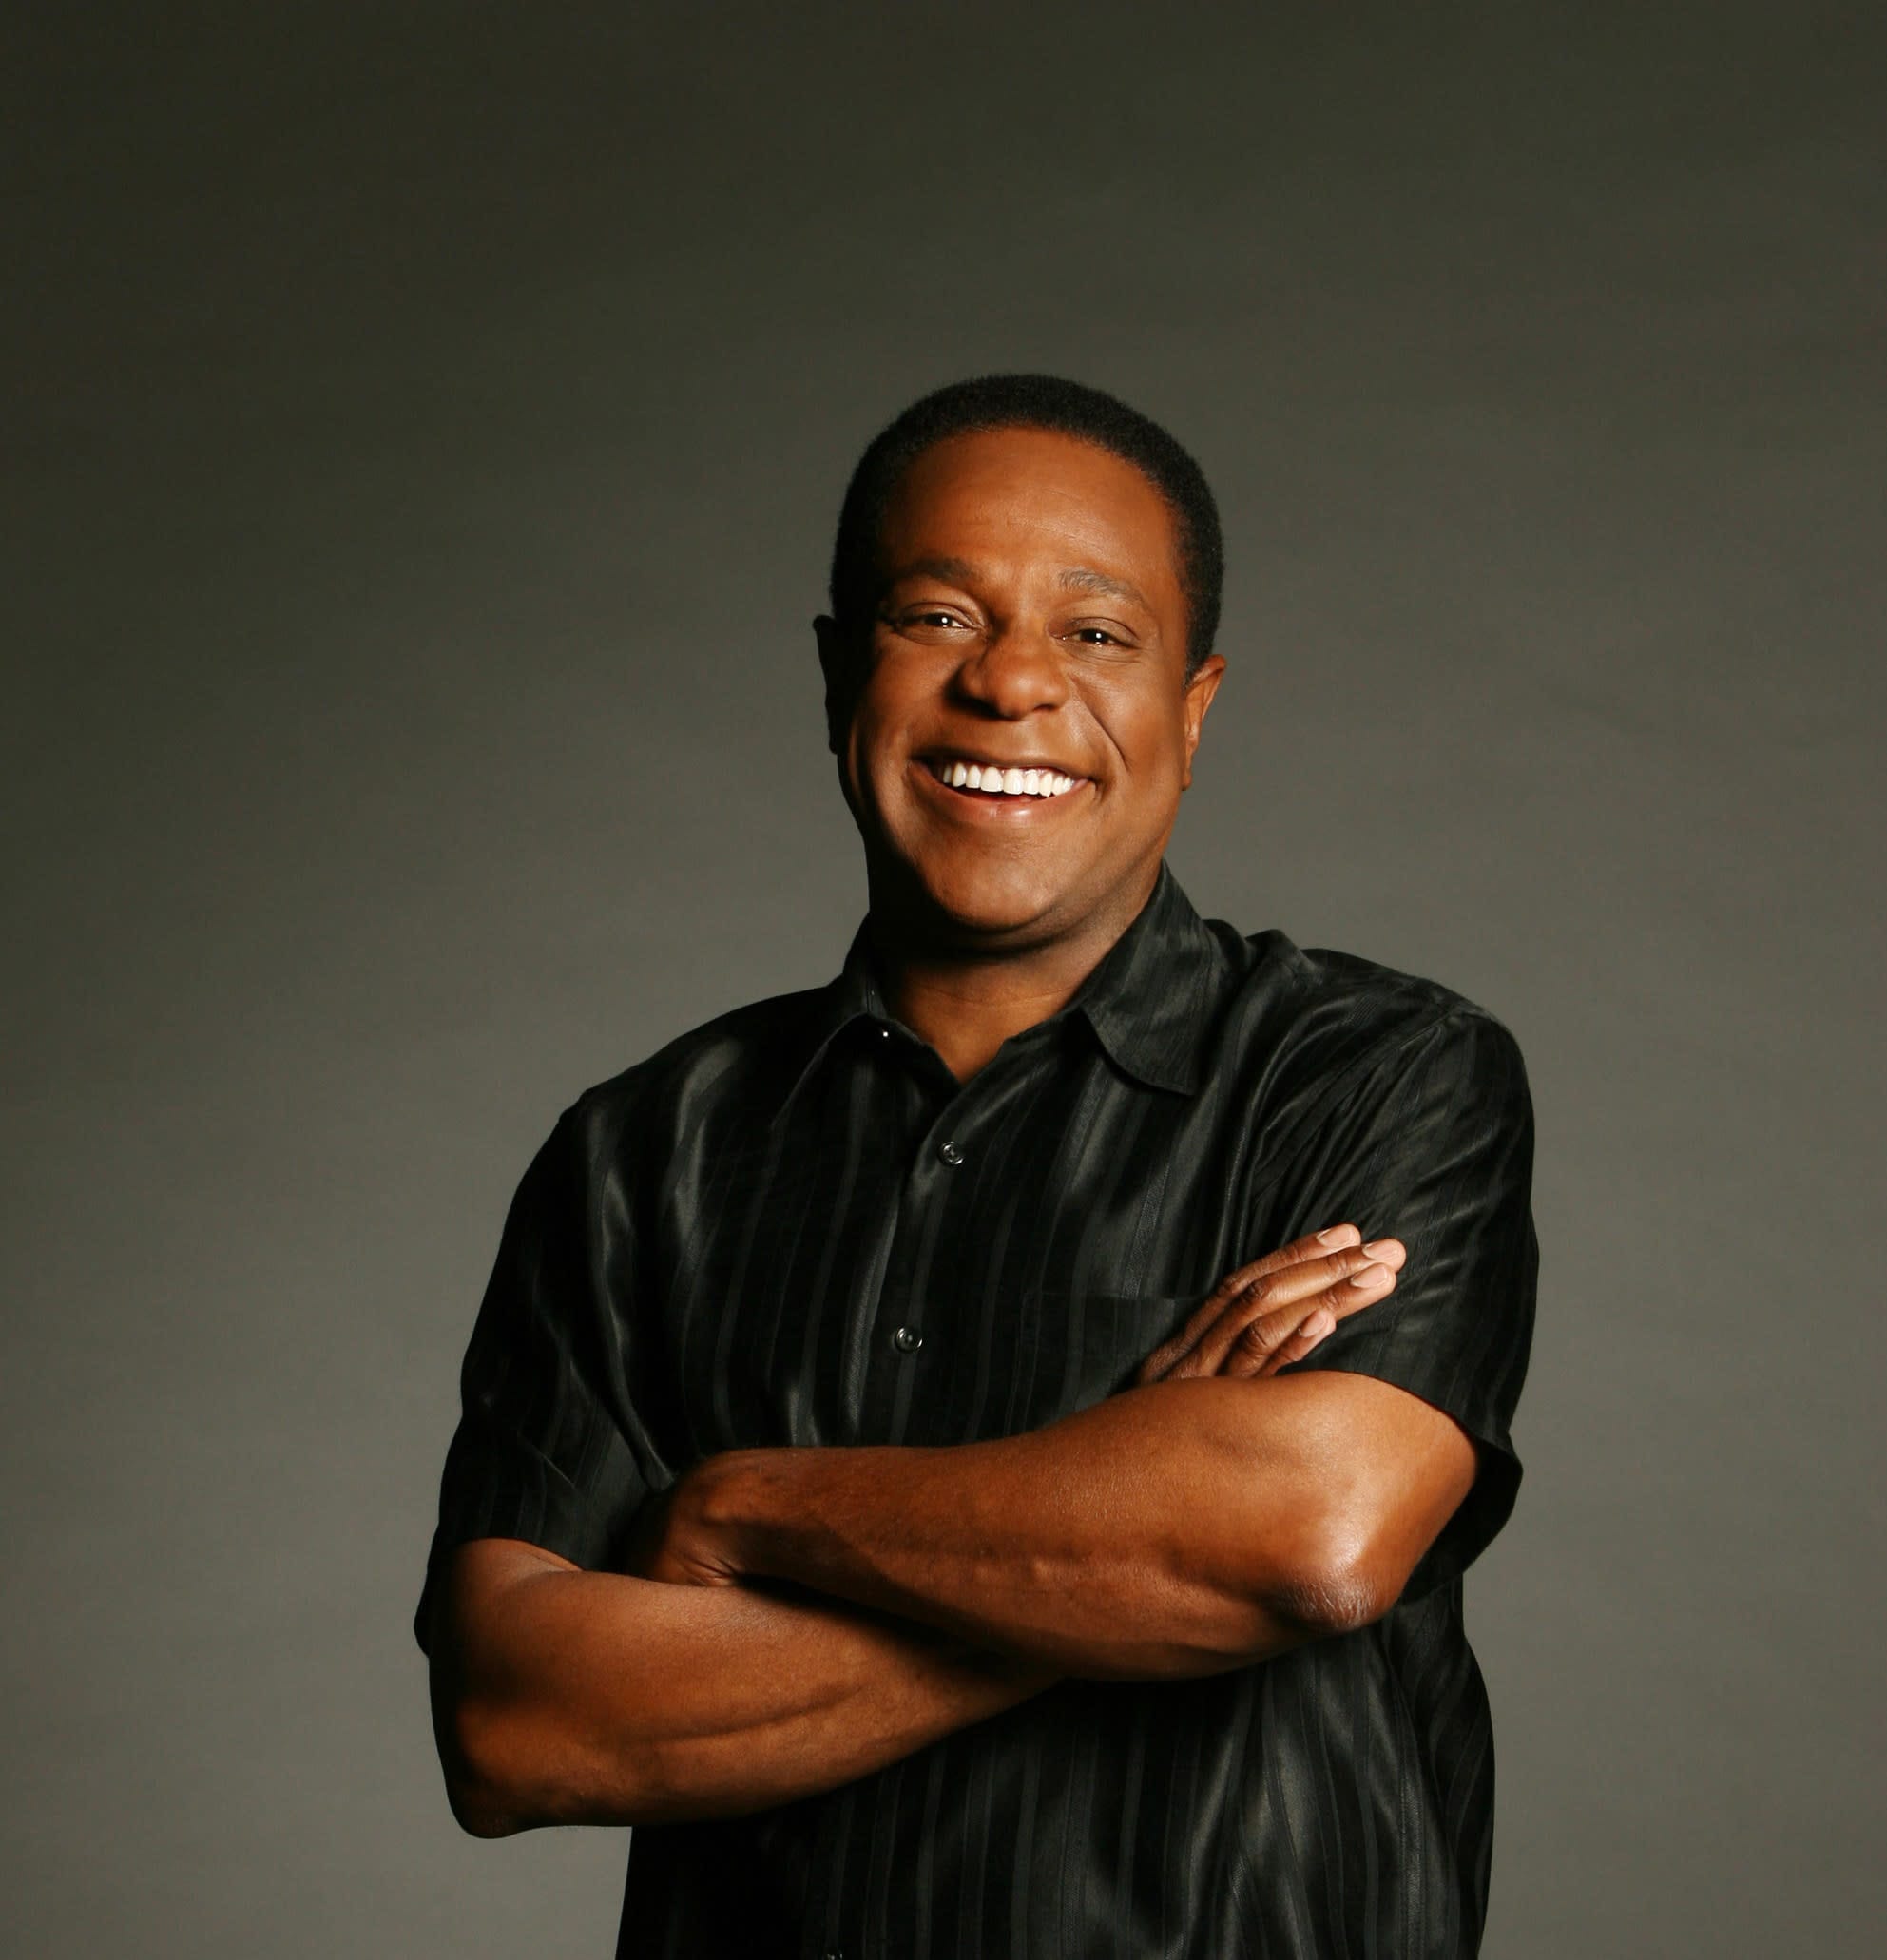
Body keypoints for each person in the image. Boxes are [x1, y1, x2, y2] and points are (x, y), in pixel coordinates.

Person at [415, 374, 1539, 1959]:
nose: (1009, 684)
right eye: (936, 616)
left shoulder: (1372, 1075)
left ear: (1194, 705)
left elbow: (1310, 1538)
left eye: (1094, 633)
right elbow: (520, 1726)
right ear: (835, 674)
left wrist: (749, 1511)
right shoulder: (639, 1154)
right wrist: (1134, 1540)